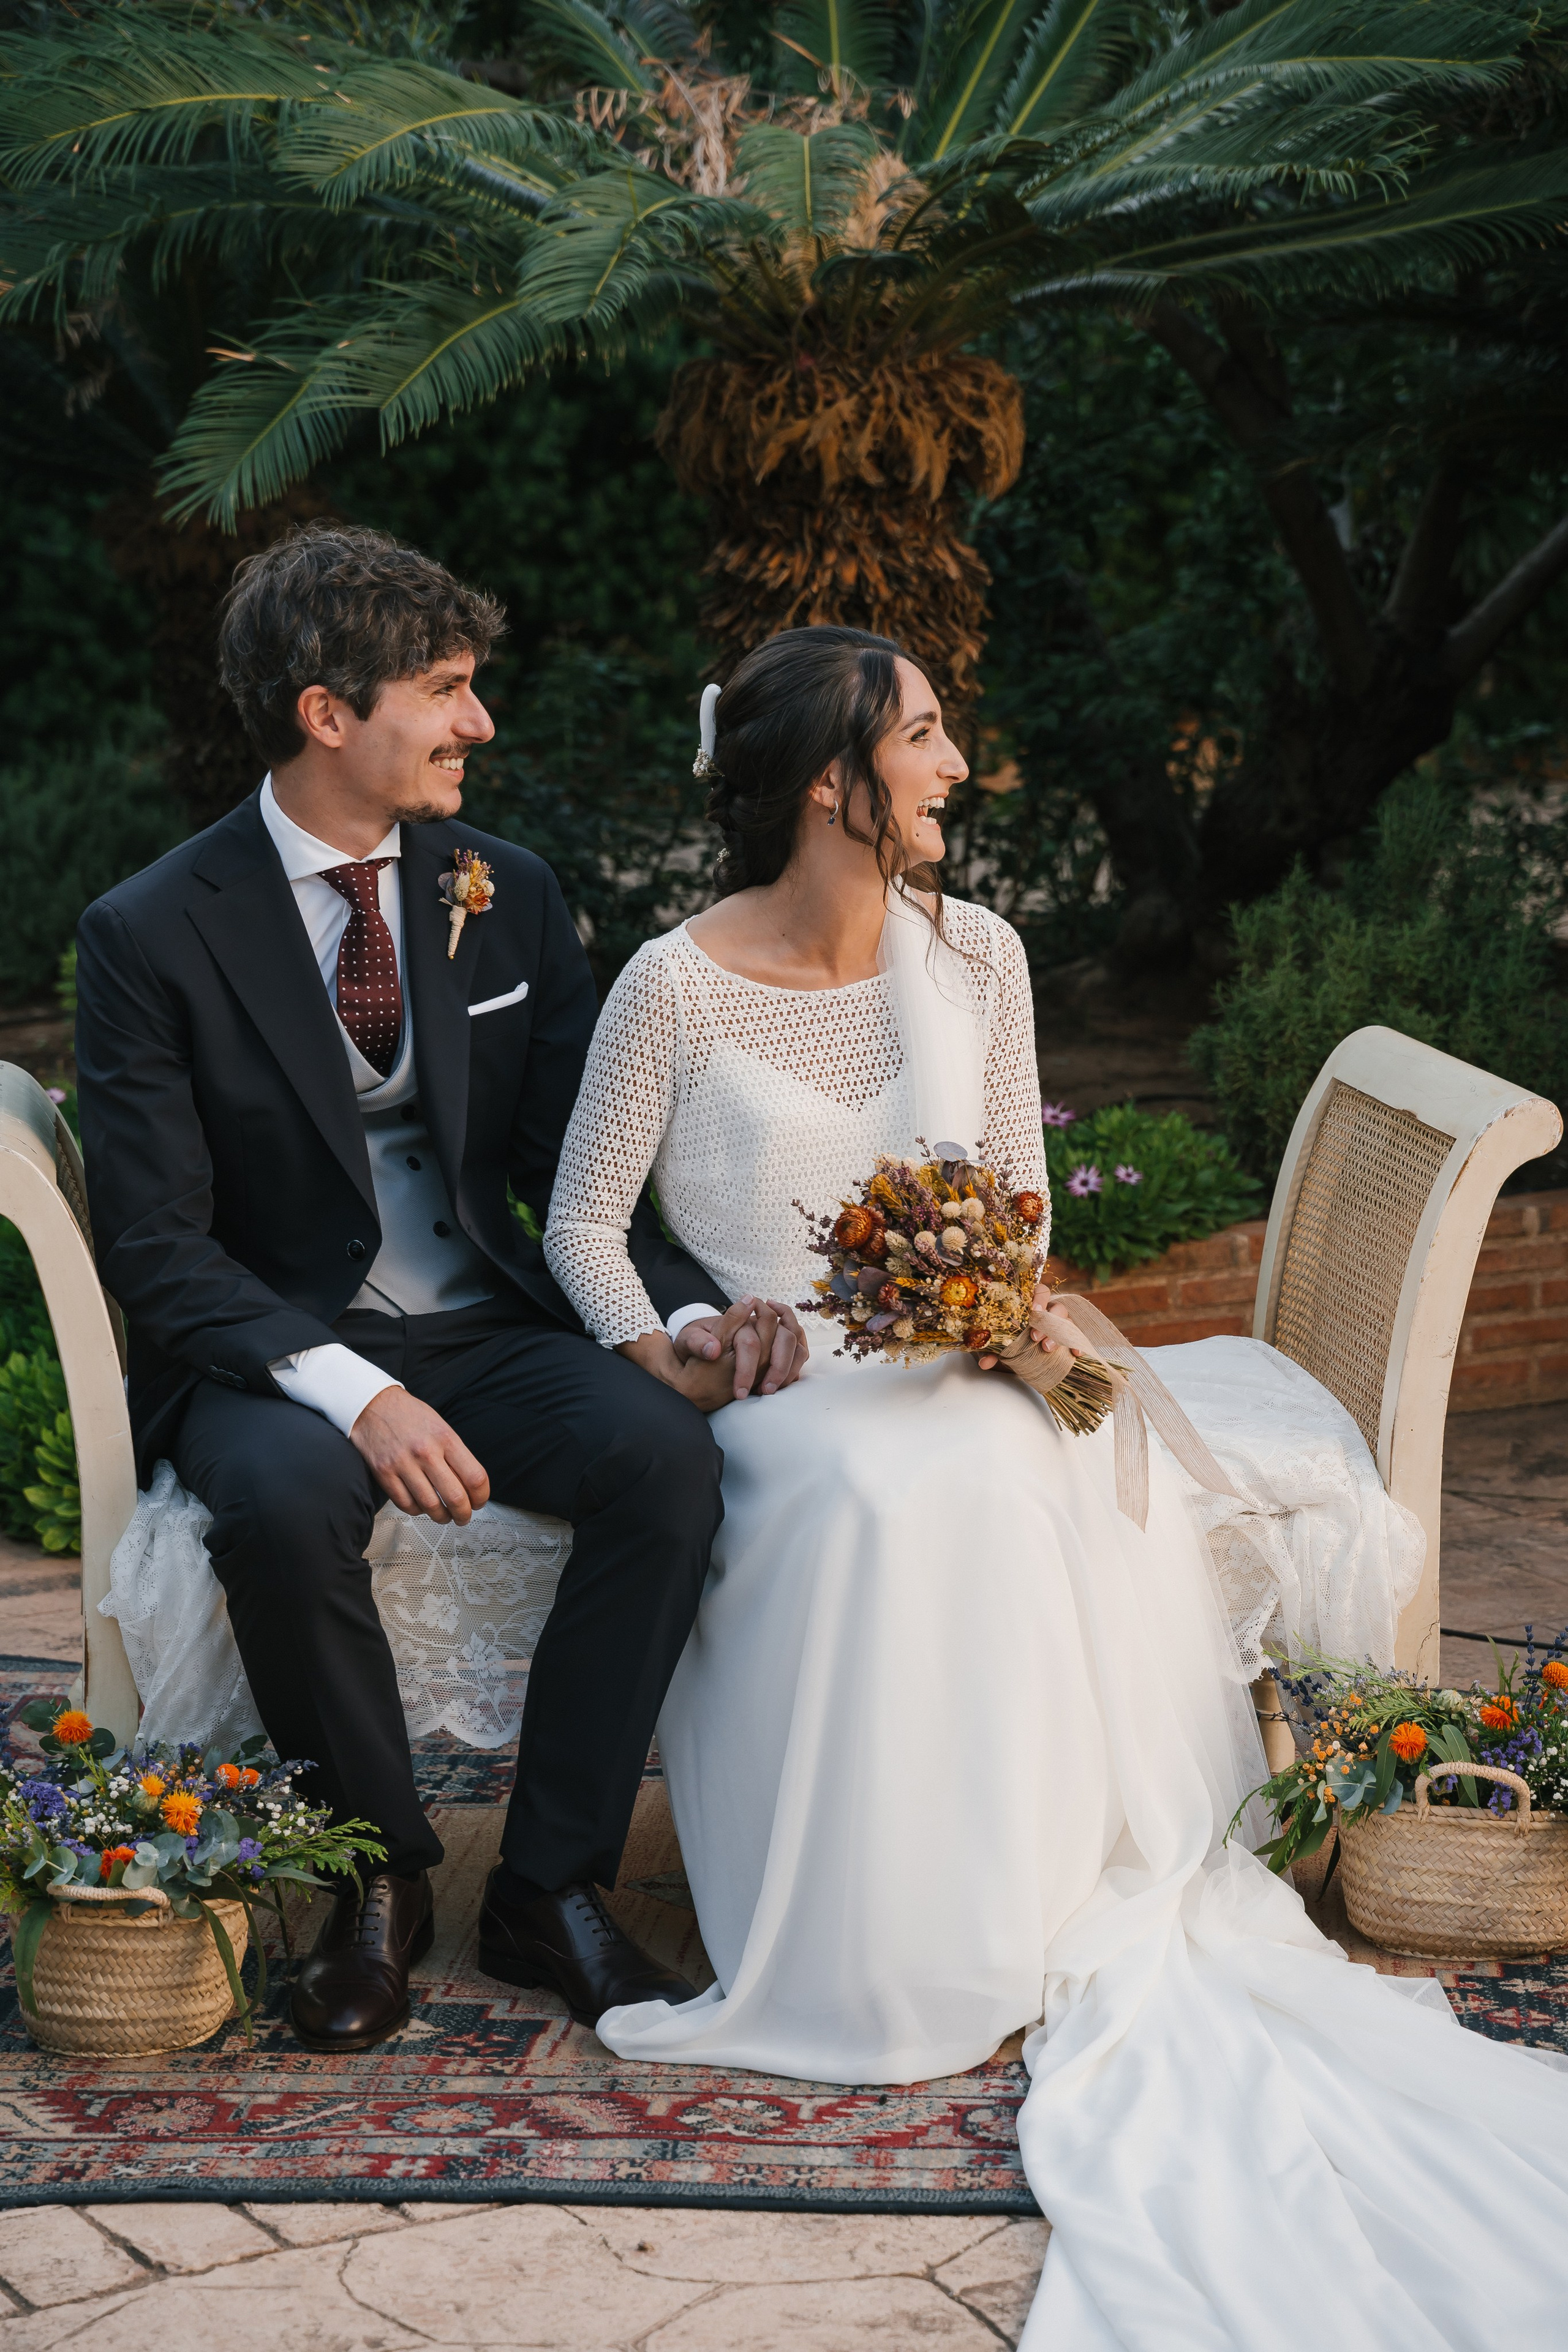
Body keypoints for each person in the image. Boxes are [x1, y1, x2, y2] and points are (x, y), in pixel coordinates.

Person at [541, 625, 1568, 2349]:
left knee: (1023, 1464)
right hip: (782, 1395)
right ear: (827, 783)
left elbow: (1017, 1208)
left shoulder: (982, 956)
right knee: (880, 1503)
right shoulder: (669, 983)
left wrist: (984, 1305)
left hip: (962, 1356)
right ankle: (879, 1939)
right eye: (926, 737)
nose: (957, 767)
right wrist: (689, 1341)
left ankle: (1028, 1905)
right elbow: (582, 1222)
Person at [72, 524, 808, 2055]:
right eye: (446, 689)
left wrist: (670, 1319)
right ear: (326, 714)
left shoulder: (506, 891)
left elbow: (584, 1170)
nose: (479, 723)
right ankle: (375, 1887)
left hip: (484, 1319)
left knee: (665, 1461)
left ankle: (549, 1888)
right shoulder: (149, 931)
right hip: (275, 1352)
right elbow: (156, 1247)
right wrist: (358, 1391)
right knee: (279, 1508)